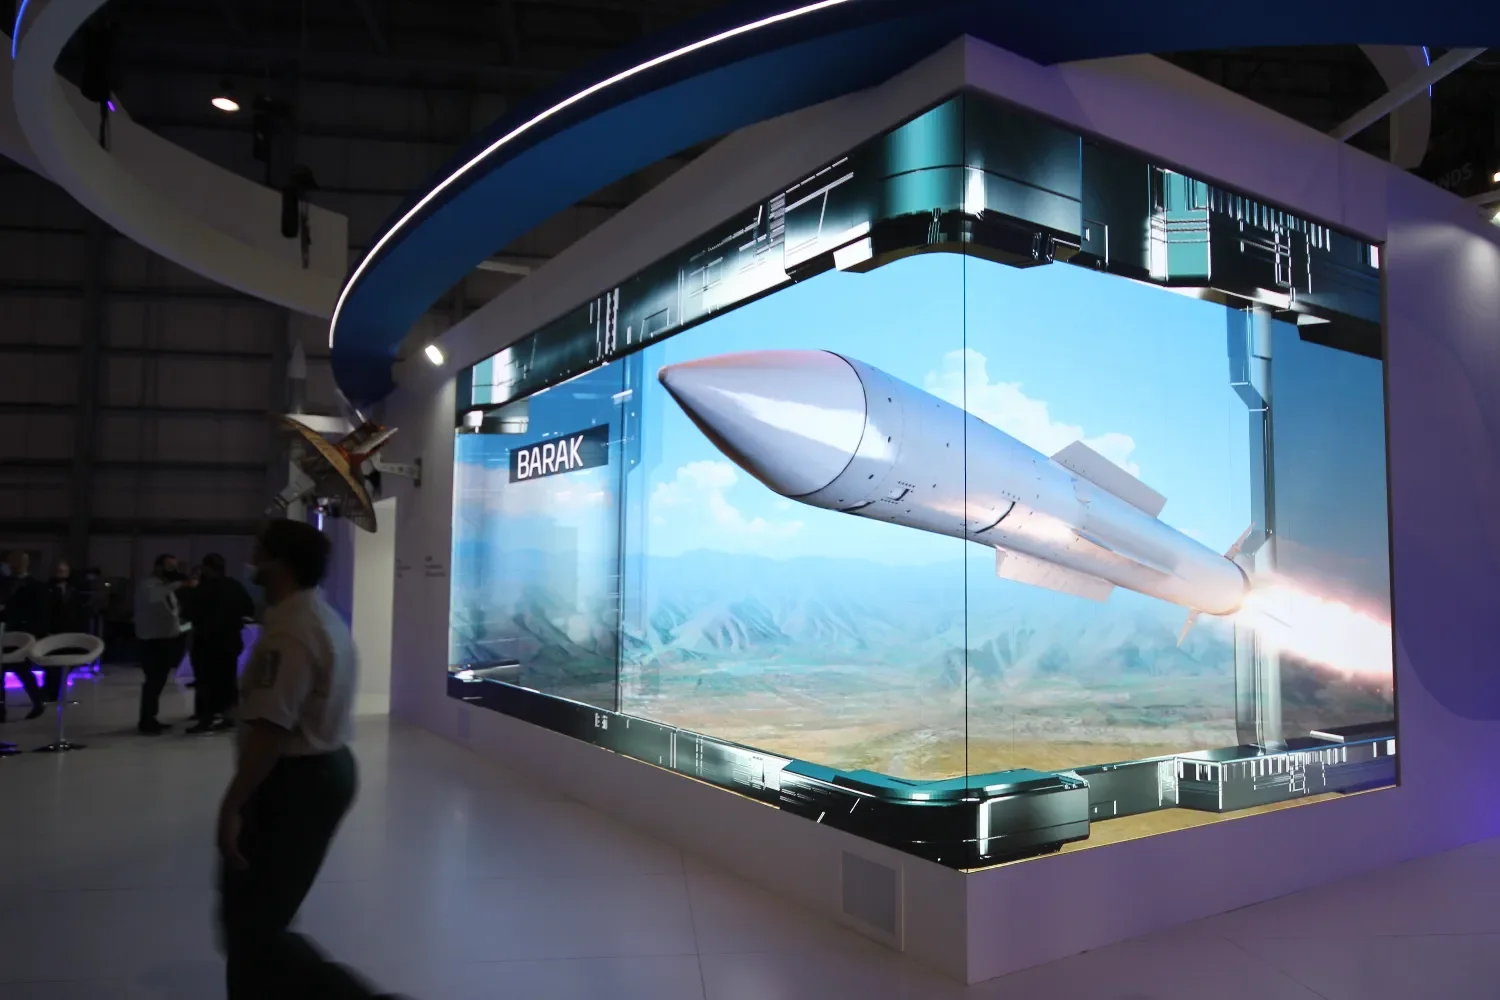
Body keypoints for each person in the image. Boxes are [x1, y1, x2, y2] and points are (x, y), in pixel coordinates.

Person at [215, 520, 402, 1000]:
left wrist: (234, 804)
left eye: (258, 553)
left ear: (278, 563)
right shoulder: (316, 618)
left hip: (295, 780)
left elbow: (272, 728)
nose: (252, 563)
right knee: (255, 920)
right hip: (318, 772)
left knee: (255, 926)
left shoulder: (292, 632)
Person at [185, 554, 254, 734]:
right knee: (227, 679)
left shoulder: (203, 589)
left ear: (207, 568)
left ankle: (206, 718)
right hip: (230, 640)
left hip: (206, 641)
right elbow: (249, 608)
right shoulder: (234, 586)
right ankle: (229, 716)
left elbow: (190, 612)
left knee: (205, 681)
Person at [133, 554, 191, 735]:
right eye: (170, 566)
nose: (174, 570)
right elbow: (155, 597)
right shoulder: (148, 585)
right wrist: (181, 584)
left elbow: (172, 615)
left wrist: (184, 627)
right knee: (153, 681)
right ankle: (146, 720)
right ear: (158, 567)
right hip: (151, 641)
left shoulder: (165, 587)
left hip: (165, 640)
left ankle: (152, 717)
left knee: (158, 681)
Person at [0, 551, 46, 722]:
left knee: (22, 668)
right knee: (3, 670)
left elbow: (39, 611)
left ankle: (37, 701)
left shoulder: (36, 586)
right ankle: (1, 709)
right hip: (4, 630)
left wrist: (35, 632)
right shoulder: (4, 583)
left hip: (23, 633)